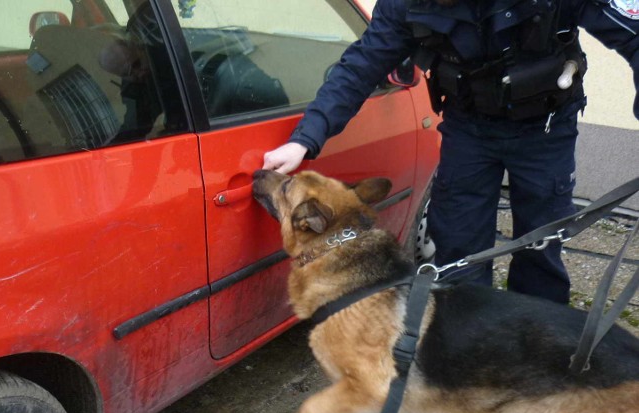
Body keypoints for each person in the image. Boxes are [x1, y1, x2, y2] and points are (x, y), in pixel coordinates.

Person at [263, 0, 639, 304]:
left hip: (545, 128)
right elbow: (361, 65)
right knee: (456, 251)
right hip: (468, 127)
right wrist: (304, 139)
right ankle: (466, 354)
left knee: (540, 244)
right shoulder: (405, 4)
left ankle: (541, 350)